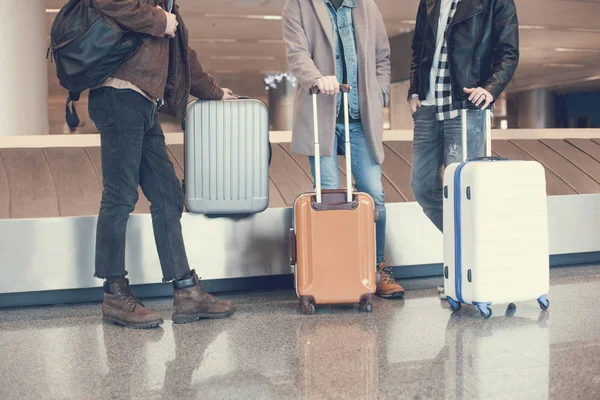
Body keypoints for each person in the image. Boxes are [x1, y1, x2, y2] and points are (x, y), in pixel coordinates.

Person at [89, 0, 237, 329]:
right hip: (116, 95)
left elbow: (183, 58)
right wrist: (160, 21)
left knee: (168, 194)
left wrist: (215, 93)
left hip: (143, 103)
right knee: (120, 194)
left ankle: (186, 292)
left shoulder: (167, 8)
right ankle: (114, 293)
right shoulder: (155, 12)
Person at [283, 0, 405, 298]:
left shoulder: (366, 6)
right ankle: (334, 270)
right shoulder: (299, 5)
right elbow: (297, 53)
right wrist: (316, 78)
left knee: (372, 193)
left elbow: (381, 57)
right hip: (320, 112)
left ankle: (377, 267)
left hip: (360, 118)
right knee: (328, 193)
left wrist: (380, 92)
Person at [407, 0, 519, 297]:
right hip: (429, 107)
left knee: (460, 194)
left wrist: (491, 89)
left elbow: (507, 51)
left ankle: (465, 271)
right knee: (422, 186)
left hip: (466, 106)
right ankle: (476, 251)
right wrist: (414, 89)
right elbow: (419, 46)